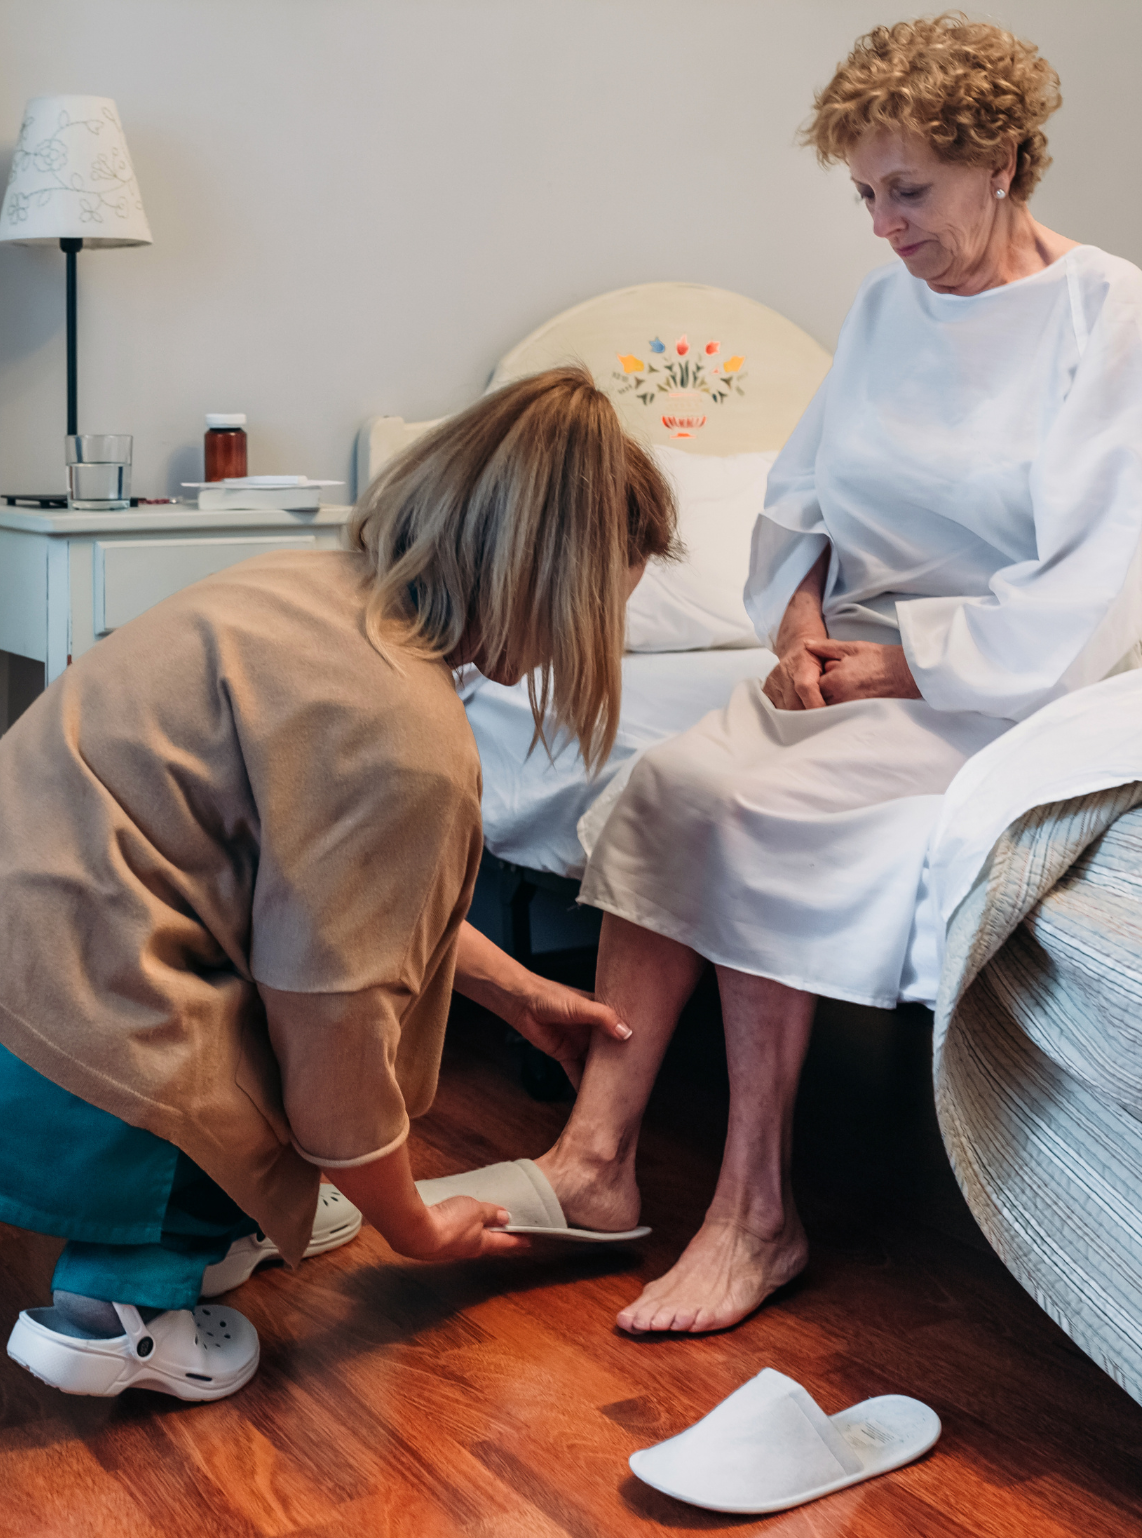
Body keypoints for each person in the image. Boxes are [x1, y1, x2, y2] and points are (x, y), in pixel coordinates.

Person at [526, 15, 1142, 1334]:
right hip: (843, 662)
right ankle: (595, 1157)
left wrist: (893, 666)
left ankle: (757, 1213)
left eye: (906, 191)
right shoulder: (882, 306)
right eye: (863, 193)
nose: (880, 226)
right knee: (663, 786)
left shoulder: (1106, 312)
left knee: (761, 818)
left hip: (990, 686)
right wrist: (798, 618)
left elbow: (1089, 585)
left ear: (1005, 162)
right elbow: (803, 492)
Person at [0, 366, 676, 1400]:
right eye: (594, 613)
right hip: (72, 1029)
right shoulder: (405, 738)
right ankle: (117, 1309)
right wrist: (414, 1220)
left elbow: (322, 892)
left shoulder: (302, 590)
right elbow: (334, 1008)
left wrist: (517, 989)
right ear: (545, 584)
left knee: (273, 1052)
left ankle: (204, 1216)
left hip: (28, 963)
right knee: (277, 1048)